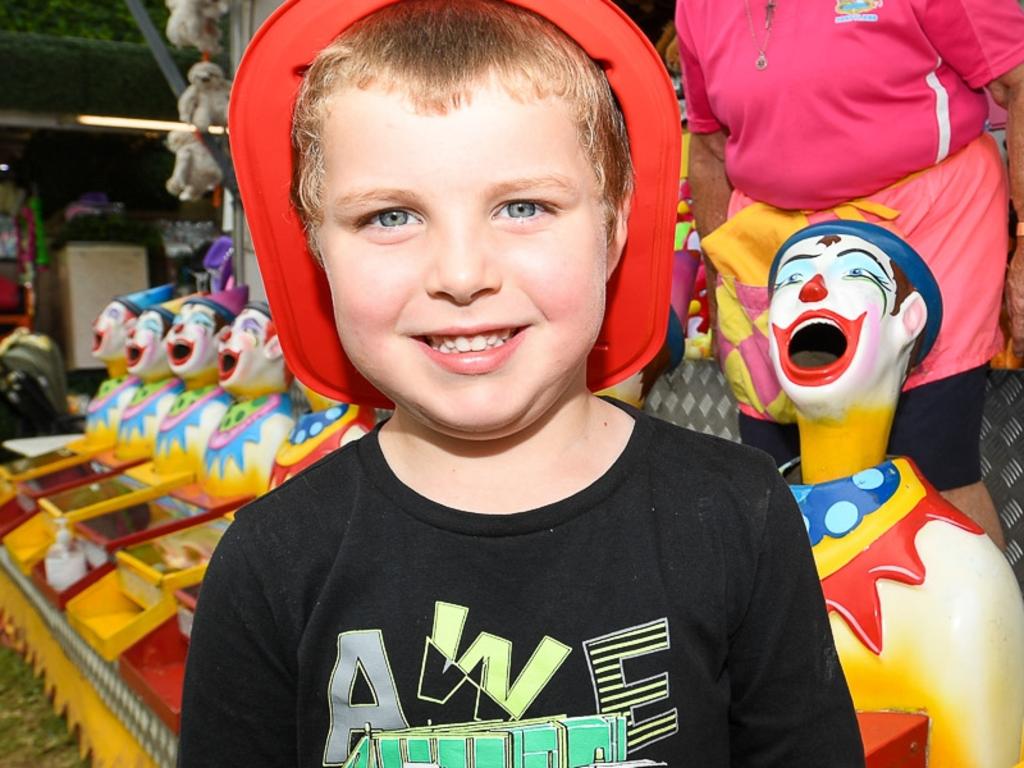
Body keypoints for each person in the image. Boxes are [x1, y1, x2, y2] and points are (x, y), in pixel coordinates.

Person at [178, 1, 864, 765]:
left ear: (614, 227)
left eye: (524, 206)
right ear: (316, 248)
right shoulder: (270, 561)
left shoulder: (740, 512)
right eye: (391, 217)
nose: (464, 275)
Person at [674, 0, 1024, 550]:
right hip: (775, 245)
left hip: (925, 225)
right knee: (778, 474)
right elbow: (711, 148)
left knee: (931, 469)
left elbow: (1018, 80)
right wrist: (725, 276)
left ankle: (973, 632)